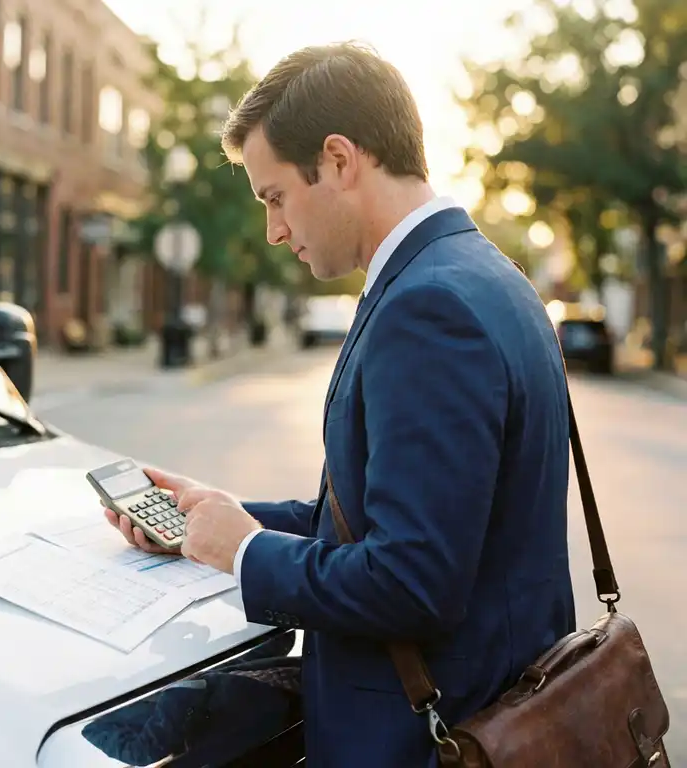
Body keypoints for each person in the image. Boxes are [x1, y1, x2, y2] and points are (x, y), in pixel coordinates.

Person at [104, 41, 576, 767]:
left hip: (428, 741)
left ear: (339, 160)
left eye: (276, 197)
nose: (275, 230)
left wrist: (245, 553)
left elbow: (412, 584)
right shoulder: (488, 276)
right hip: (506, 712)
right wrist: (218, 518)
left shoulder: (428, 306)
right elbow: (394, 523)